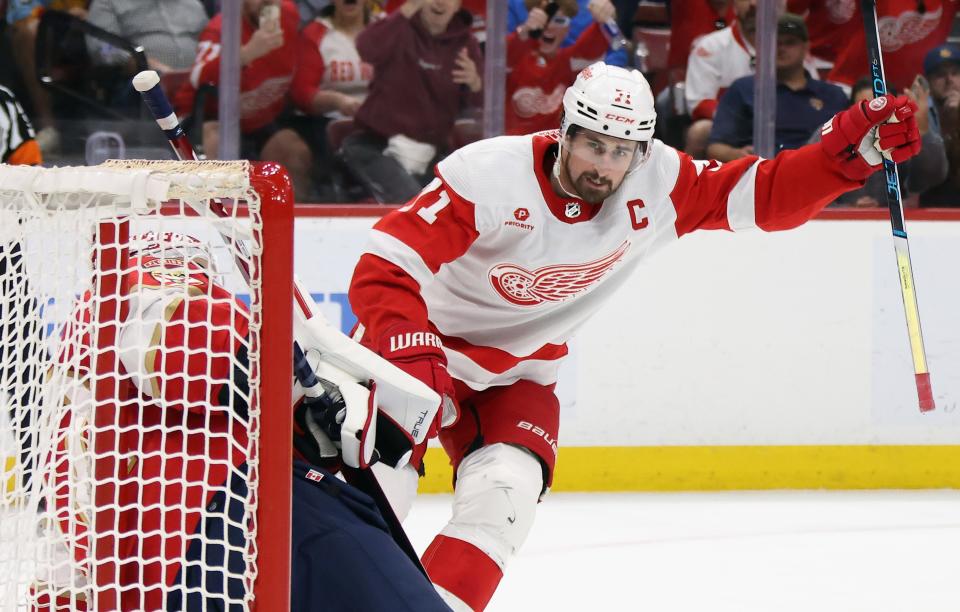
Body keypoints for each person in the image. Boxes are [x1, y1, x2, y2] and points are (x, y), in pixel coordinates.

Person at [346, 61, 922, 610]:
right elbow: (386, 262)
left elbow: (764, 194)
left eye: (622, 152)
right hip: (417, 355)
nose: (604, 165)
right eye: (593, 144)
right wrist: (405, 340)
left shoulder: (659, 181)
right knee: (375, 496)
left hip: (518, 374)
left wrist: (847, 156)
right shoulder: (488, 174)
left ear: (641, 151)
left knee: (505, 497)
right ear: (565, 131)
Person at [25, 231, 451, 611]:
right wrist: (298, 383)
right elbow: (183, 339)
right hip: (239, 516)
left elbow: (62, 576)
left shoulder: (71, 386)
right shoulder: (140, 289)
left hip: (162, 582)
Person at [341, 0, 483, 204]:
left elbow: (481, 105)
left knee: (457, 205)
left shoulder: (465, 44)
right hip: (375, 144)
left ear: (458, 5)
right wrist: (406, 9)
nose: (440, 2)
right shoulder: (399, 28)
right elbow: (366, 48)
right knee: (416, 204)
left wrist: (475, 83)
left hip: (431, 153)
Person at [174, 0, 314, 199]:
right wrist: (245, 54)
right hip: (207, 117)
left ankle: (294, 218)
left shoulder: (290, 15)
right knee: (214, 142)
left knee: (293, 150)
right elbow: (197, 76)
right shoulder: (221, 28)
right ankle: (218, 217)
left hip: (256, 118)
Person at [705, 13, 848, 161]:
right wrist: (737, 155)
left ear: (806, 47)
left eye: (790, 42)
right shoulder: (743, 89)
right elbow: (715, 148)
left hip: (820, 171)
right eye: (775, 42)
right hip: (763, 172)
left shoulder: (833, 95)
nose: (781, 48)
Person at [290, 0, 373, 196]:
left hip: (379, 120)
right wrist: (337, 101)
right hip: (328, 120)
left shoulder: (385, 29)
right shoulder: (315, 33)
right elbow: (302, 93)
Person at [825, 75, 946, 207]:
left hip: (899, 222)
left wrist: (923, 133)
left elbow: (931, 177)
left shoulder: (904, 136)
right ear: (850, 110)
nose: (874, 119)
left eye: (881, 110)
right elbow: (812, 187)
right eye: (866, 111)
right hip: (838, 224)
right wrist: (848, 210)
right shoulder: (830, 136)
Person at [505, 0, 614, 135]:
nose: (549, 26)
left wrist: (604, 18)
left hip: (553, 148)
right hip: (512, 146)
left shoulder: (570, 61)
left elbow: (592, 46)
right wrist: (524, 31)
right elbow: (501, 58)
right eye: (544, 18)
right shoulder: (517, 55)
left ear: (568, 29)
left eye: (559, 21)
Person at [85, 0, 210, 74]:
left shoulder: (192, 3)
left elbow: (211, 42)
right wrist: (139, 61)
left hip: (198, 85)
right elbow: (102, 47)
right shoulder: (108, 2)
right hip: (140, 87)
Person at [919, 43, 960, 207]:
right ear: (928, 81)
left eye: (955, 73)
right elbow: (928, 173)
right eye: (941, 75)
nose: (949, 81)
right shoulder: (919, 111)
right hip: (930, 202)